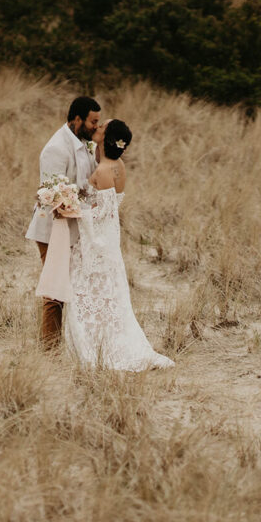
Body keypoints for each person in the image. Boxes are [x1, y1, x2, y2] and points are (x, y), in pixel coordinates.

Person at [62, 119, 175, 371]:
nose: (98, 127)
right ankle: (108, 337)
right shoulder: (118, 165)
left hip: (97, 239)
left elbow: (100, 213)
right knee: (108, 293)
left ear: (107, 137)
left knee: (86, 291)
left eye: (102, 126)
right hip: (109, 238)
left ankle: (97, 345)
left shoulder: (103, 171)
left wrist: (70, 207)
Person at [25, 96, 101, 349]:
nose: (95, 127)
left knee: (75, 288)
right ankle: (49, 349)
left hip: (75, 228)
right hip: (52, 230)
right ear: (77, 119)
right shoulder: (56, 149)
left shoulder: (85, 143)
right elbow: (54, 197)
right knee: (55, 290)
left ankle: (73, 345)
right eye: (93, 121)